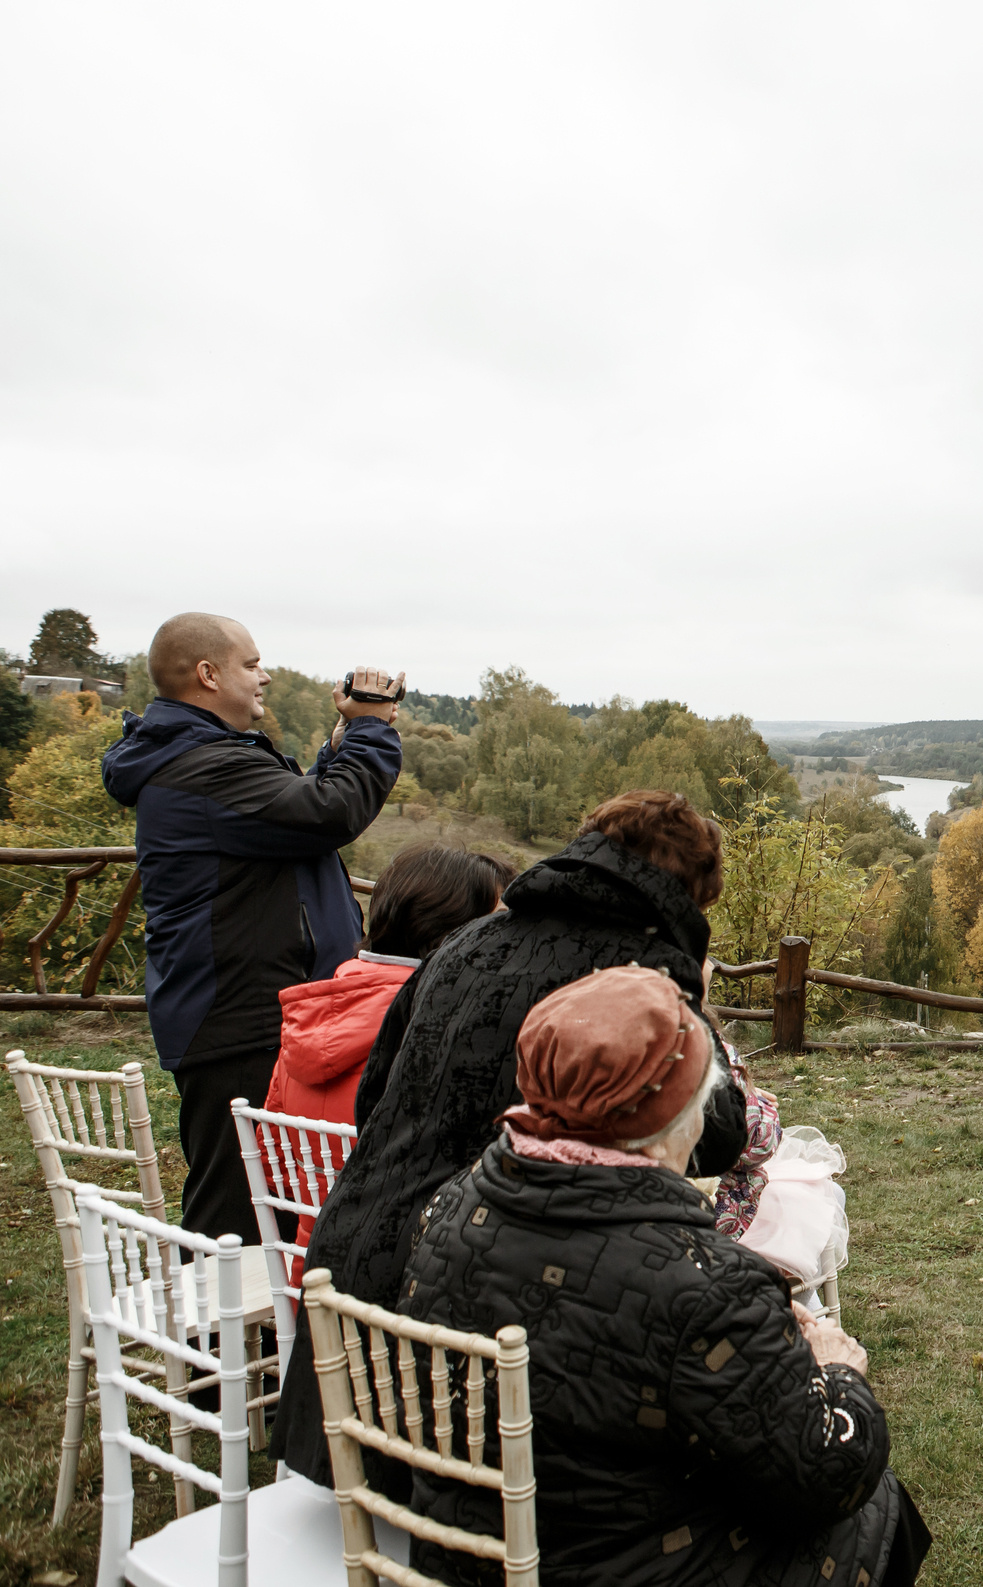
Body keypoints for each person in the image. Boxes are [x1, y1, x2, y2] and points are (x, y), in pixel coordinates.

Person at [394, 965, 929, 1587]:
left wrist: (753, 1342)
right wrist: (838, 1372)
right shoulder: (703, 1279)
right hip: (622, 1566)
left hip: (464, 1554)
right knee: (880, 1505)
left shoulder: (448, 1206)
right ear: (677, 1119)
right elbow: (822, 1477)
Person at [273, 790, 751, 1484]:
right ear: (686, 893)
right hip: (484, 1301)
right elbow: (711, 1133)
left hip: (353, 1274)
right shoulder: (642, 973)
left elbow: (374, 1096)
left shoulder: (469, 939)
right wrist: (698, 1010)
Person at [99, 612, 402, 1241]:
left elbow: (296, 807)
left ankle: (259, 1335)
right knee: (233, 1220)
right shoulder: (200, 767)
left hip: (252, 1009)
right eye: (251, 664)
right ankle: (215, 1340)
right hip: (238, 1019)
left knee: (278, 1206)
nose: (264, 676)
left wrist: (348, 733)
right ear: (209, 675)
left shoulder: (205, 759)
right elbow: (329, 810)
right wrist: (372, 731)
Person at [266, 844, 509, 1130]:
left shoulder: (311, 1018)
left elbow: (271, 1154)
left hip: (308, 1174)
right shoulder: (456, 1032)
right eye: (498, 922)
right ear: (449, 930)